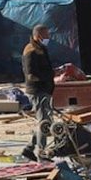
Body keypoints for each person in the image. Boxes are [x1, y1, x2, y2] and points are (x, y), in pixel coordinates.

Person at [21, 24, 55, 161]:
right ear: (38, 35)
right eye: (46, 35)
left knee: (46, 121)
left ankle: (29, 149)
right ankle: (41, 154)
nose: (48, 38)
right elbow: (30, 74)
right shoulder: (30, 50)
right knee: (44, 123)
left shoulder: (41, 48)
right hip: (37, 90)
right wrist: (47, 77)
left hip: (45, 89)